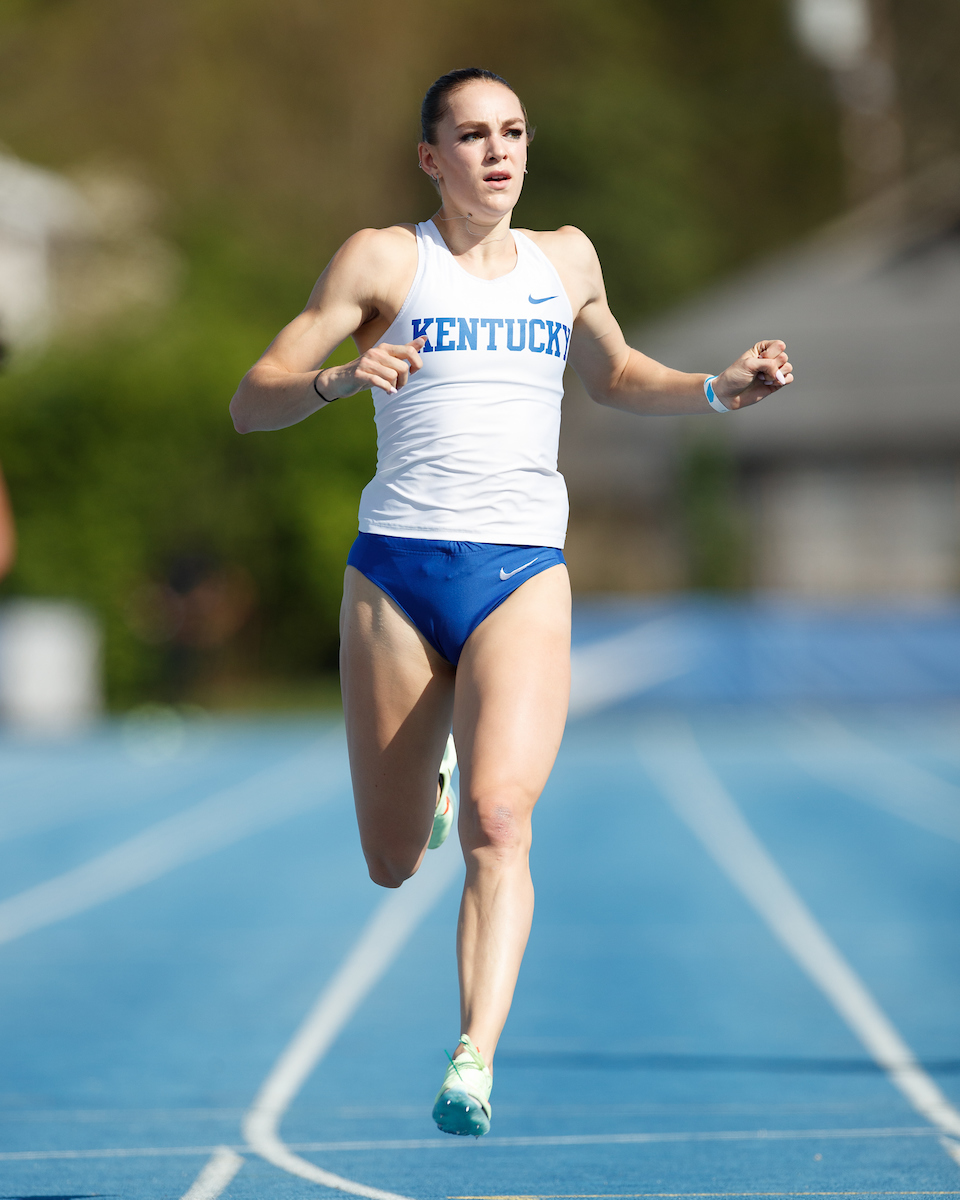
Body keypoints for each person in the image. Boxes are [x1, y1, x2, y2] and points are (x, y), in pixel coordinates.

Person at [229, 66, 793, 1137]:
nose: (499, 152)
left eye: (515, 132)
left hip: (521, 571)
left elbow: (614, 374)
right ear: (430, 158)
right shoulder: (384, 259)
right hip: (395, 576)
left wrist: (718, 390)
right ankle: (429, 781)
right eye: (474, 135)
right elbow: (251, 401)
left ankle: (473, 1055)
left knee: (502, 820)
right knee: (393, 862)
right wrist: (338, 381)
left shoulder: (565, 258)